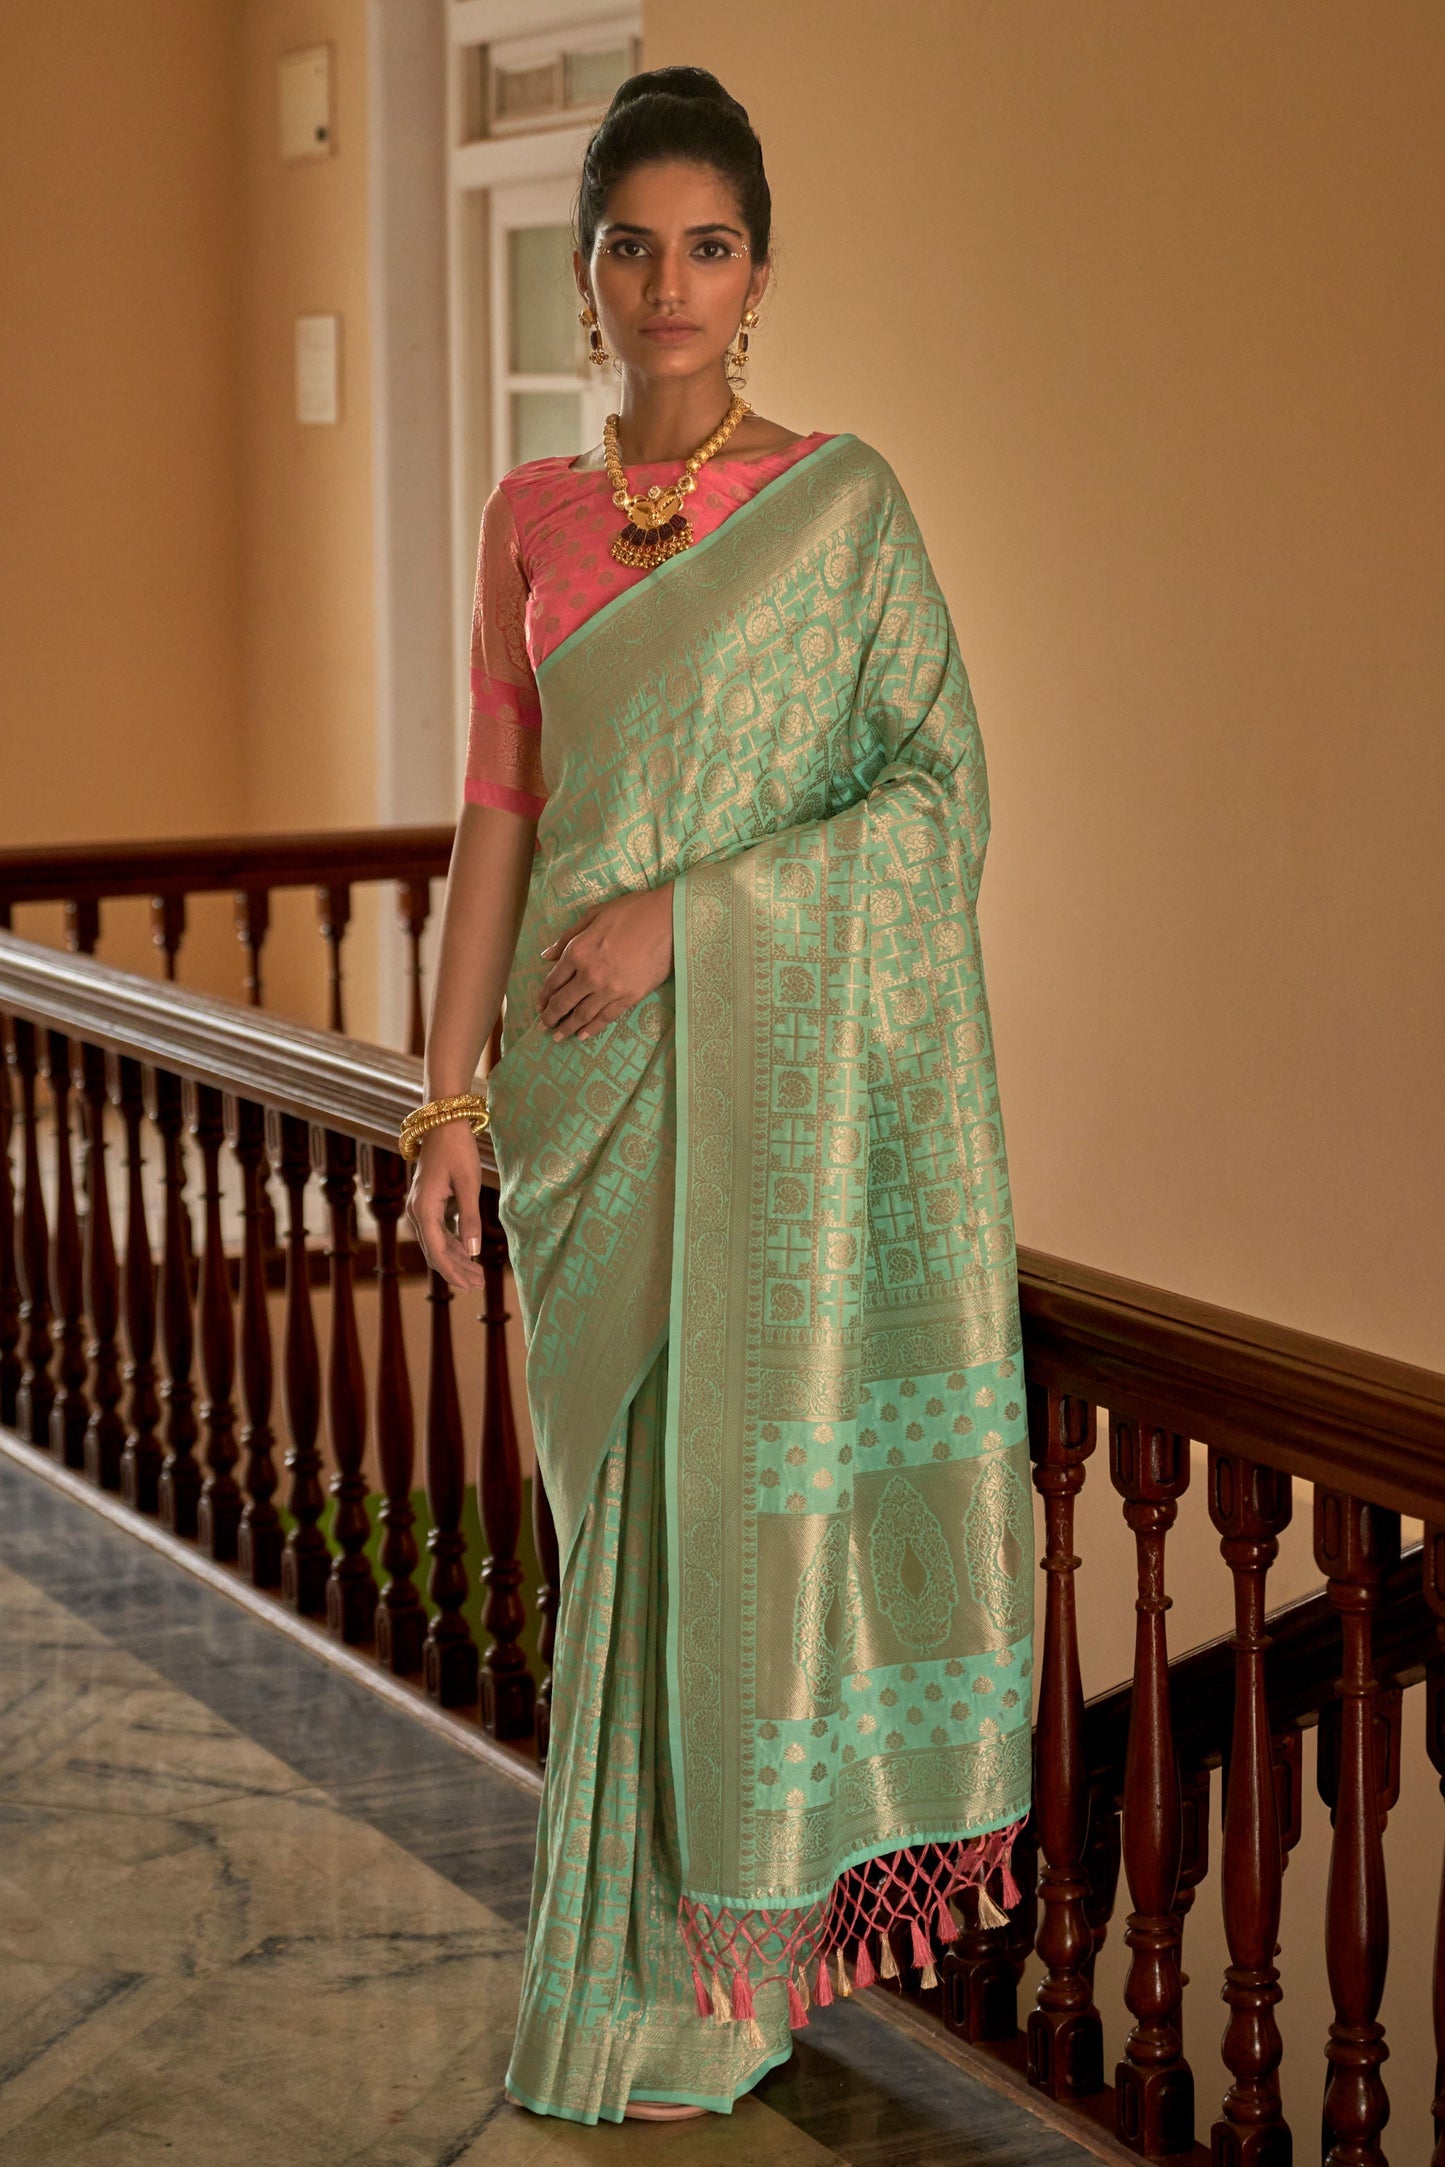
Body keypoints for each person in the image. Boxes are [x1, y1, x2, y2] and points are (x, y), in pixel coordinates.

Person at [405, 65, 1033, 2128]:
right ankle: (623, 1975)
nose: (668, 284)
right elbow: (498, 814)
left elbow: (937, 801)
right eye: (630, 246)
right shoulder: (528, 516)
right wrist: (444, 1103)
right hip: (581, 1111)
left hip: (761, 1104)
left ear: (759, 274)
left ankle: (702, 1987)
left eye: (709, 246)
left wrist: (697, 917)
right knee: (622, 1550)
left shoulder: (840, 510)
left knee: (715, 1531)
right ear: (582, 275)